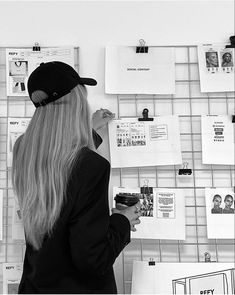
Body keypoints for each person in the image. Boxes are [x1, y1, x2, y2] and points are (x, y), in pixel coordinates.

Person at [12, 61, 141, 294]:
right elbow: (92, 260)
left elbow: (62, 170)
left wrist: (90, 132)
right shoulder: (93, 167)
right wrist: (123, 220)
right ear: (75, 102)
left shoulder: (24, 150)